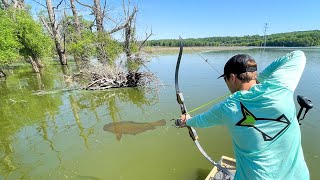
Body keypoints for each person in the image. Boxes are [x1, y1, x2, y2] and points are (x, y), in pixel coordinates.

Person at [180, 51, 309, 179]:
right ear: (253, 74)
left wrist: (187, 121)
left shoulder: (227, 107)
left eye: (225, 79)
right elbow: (298, 55)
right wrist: (259, 79)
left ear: (232, 78)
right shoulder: (279, 87)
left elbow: (201, 120)